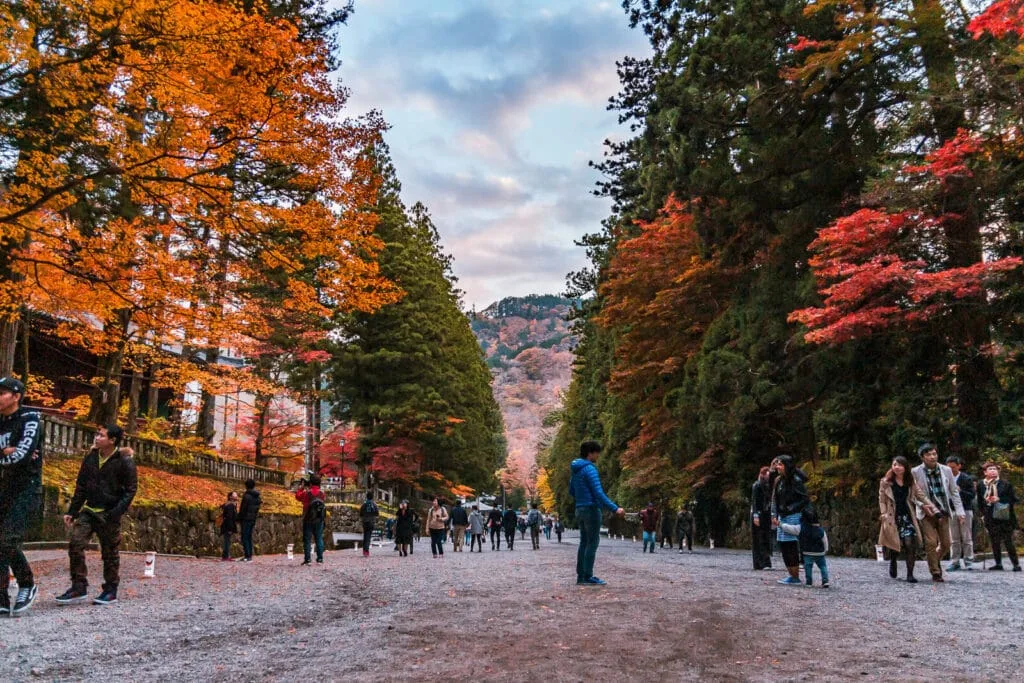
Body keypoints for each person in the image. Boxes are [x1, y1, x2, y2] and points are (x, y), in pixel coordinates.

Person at [58, 424, 138, 606]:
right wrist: (73, 511)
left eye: (101, 435)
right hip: (89, 510)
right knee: (76, 545)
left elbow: (131, 490)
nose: (97, 438)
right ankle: (79, 586)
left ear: (112, 440)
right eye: (97, 434)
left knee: (110, 552)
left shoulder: (124, 461)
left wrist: (116, 512)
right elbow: (81, 486)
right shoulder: (91, 458)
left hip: (109, 513)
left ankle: (110, 589)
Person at [0, 377, 43, 615]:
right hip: (4, 487)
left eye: (2, 393)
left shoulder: (30, 418)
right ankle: (1, 599)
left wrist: (11, 454)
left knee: (7, 540)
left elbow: (23, 455)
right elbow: (13, 455)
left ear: (16, 396)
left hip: (27, 487)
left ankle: (27, 584)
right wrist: (4, 451)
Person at [569, 440, 624, 585]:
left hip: (579, 509)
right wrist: (615, 508)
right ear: (590, 453)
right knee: (592, 543)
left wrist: (581, 499)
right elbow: (598, 493)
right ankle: (588, 576)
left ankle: (581, 577)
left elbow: (571, 491)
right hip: (591, 510)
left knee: (584, 542)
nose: (598, 456)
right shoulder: (590, 469)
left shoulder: (576, 470)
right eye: (596, 453)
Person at [910, 443, 965, 582]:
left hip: (944, 511)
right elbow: (913, 495)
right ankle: (935, 572)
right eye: (929, 454)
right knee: (931, 542)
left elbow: (953, 491)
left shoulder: (946, 470)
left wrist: (960, 511)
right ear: (922, 457)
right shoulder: (915, 472)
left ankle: (934, 561)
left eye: (934, 454)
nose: (932, 457)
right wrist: (922, 505)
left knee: (946, 544)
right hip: (927, 512)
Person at [879, 455, 931, 583]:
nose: (896, 467)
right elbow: (882, 499)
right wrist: (884, 513)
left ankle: (910, 574)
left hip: (907, 515)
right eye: (894, 464)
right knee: (894, 544)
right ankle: (893, 560)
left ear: (905, 467)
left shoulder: (910, 481)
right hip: (892, 516)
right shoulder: (886, 482)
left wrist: (931, 506)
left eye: (899, 465)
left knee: (909, 543)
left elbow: (920, 494)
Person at [772, 455, 810, 586]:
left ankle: (795, 576)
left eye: (780, 464)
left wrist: (791, 508)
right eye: (777, 464)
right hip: (782, 515)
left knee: (791, 545)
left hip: (793, 515)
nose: (777, 467)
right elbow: (775, 499)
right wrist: (775, 513)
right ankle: (791, 574)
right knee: (783, 544)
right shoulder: (779, 481)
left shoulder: (796, 481)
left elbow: (805, 499)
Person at [976, 461, 1020, 571]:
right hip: (990, 516)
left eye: (994, 469)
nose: (993, 471)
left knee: (1008, 540)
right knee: (994, 540)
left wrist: (1000, 499)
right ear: (985, 472)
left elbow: (1014, 499)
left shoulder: (1005, 484)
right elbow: (980, 501)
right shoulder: (981, 485)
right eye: (990, 469)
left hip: (1004, 515)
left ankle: (1015, 564)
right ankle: (998, 563)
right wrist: (983, 512)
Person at [782, 506, 829, 587]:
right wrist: (825, 550)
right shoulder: (820, 530)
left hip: (807, 553)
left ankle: (809, 582)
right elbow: (825, 540)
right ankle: (825, 580)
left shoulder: (801, 528)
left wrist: (780, 524)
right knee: (823, 566)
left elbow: (790, 528)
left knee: (808, 567)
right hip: (819, 553)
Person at [945, 455, 976, 571]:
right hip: (951, 510)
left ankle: (968, 560)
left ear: (959, 466)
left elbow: (972, 495)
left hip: (966, 510)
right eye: (949, 468)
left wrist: (960, 491)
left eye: (953, 467)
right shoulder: (945, 478)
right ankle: (955, 561)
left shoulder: (966, 478)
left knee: (966, 536)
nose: (951, 470)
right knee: (954, 538)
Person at [296, 475, 326, 565]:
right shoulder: (322, 493)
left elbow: (298, 497)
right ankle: (320, 559)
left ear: (311, 483)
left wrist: (301, 488)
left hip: (308, 519)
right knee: (319, 538)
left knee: (307, 540)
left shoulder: (306, 493)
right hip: (319, 519)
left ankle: (308, 560)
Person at [750, 466, 773, 570]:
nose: (768, 477)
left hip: (765, 514)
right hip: (758, 514)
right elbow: (754, 502)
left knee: (765, 537)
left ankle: (765, 562)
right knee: (758, 538)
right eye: (767, 475)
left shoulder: (767, 486)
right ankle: (761, 562)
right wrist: (755, 515)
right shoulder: (757, 485)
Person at [238, 479, 262, 562]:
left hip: (245, 519)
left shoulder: (246, 496)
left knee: (245, 537)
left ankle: (247, 555)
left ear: (246, 486)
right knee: (249, 537)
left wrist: (239, 518)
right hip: (252, 518)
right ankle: (249, 555)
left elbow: (243, 509)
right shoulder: (257, 496)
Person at [219, 492, 239, 561]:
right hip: (227, 526)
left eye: (236, 495)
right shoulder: (230, 505)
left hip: (226, 525)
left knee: (227, 540)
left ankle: (226, 555)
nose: (236, 496)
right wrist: (230, 528)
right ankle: (226, 556)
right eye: (235, 495)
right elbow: (229, 517)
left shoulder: (230, 504)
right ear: (230, 497)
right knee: (227, 541)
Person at [359, 492, 379, 558]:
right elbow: (377, 513)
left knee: (365, 535)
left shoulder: (364, 504)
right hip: (371, 522)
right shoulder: (374, 504)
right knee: (368, 536)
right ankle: (366, 550)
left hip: (365, 521)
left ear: (366, 497)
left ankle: (364, 550)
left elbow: (361, 513)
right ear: (372, 497)